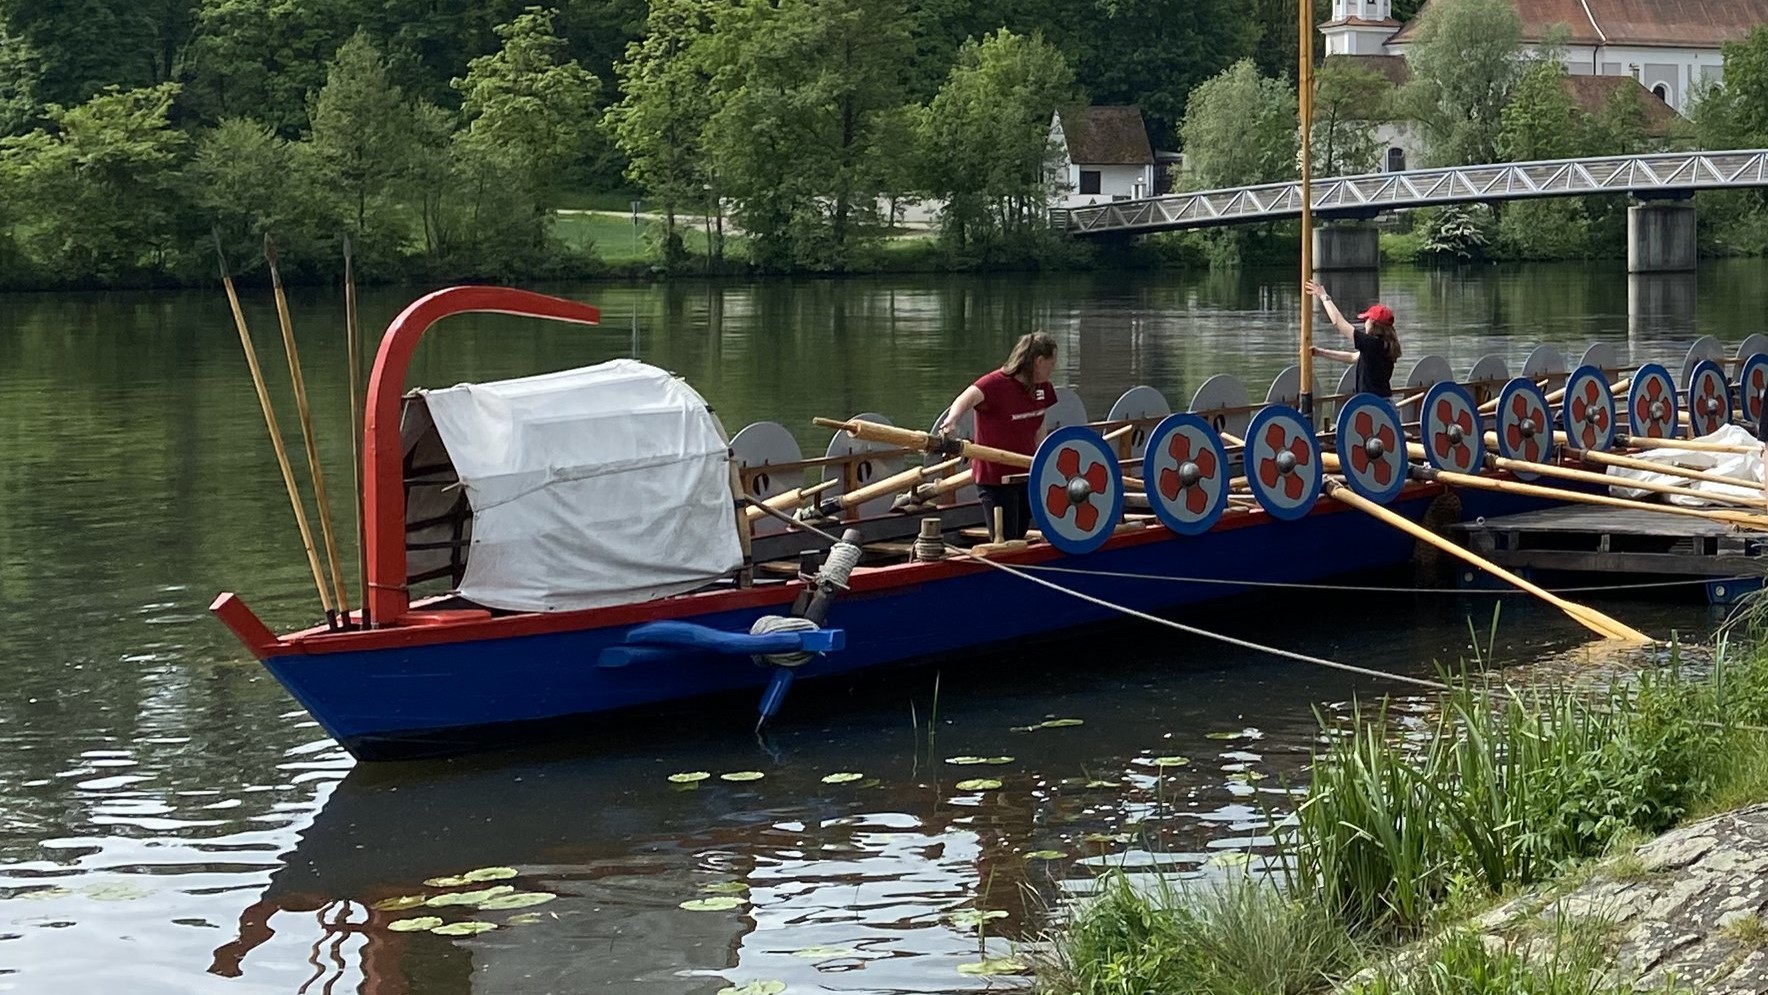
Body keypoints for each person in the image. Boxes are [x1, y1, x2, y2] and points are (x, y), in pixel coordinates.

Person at [934, 332, 1060, 541]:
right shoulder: (995, 384)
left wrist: (1044, 459)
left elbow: (1039, 425)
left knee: (1019, 534)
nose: (1053, 368)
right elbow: (965, 398)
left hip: (1025, 474)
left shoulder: (1043, 388)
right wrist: (952, 420)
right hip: (996, 479)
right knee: (1006, 537)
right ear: (1039, 361)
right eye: (1051, 363)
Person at [1304, 280, 1402, 398]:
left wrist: (1324, 297)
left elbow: (1338, 322)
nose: (1364, 323)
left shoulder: (1371, 343)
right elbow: (1352, 357)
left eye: (1366, 320)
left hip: (1372, 405)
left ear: (1374, 324)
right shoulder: (1386, 345)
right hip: (1384, 403)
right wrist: (1320, 352)